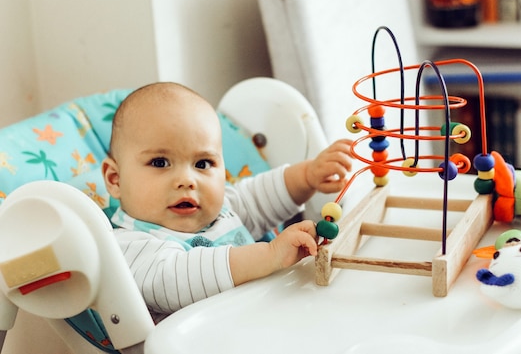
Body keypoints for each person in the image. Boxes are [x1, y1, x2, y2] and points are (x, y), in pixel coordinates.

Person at [101, 82, 352, 317]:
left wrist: (307, 176)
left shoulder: (222, 210)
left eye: (203, 163)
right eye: (159, 162)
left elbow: (261, 196)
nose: (187, 180)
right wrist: (270, 255)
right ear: (115, 180)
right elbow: (174, 279)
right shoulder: (127, 245)